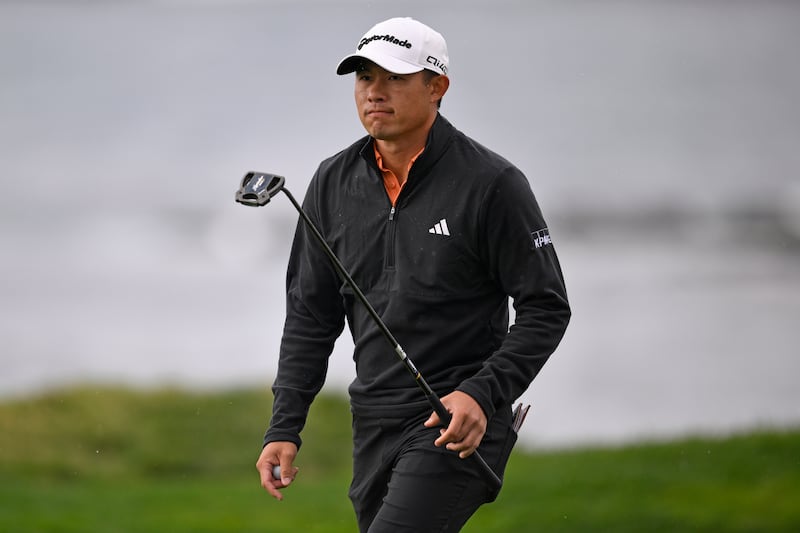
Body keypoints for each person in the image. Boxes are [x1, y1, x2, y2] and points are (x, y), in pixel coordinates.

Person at [255, 16, 571, 532]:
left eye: (394, 78)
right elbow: (310, 318)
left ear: (437, 86)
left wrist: (481, 392)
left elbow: (546, 308)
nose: (374, 93)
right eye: (364, 78)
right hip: (372, 424)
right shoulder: (331, 182)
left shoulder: (493, 184)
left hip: (456, 425)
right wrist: (284, 426)